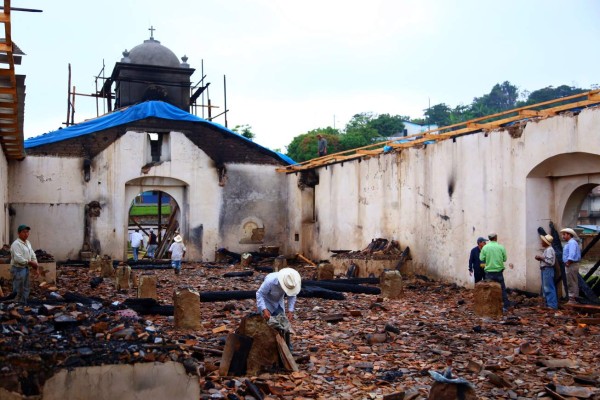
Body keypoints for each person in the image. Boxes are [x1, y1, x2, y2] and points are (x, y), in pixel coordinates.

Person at [480, 232, 513, 311]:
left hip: (488, 273)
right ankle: (505, 306)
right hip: (498, 272)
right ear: (496, 238)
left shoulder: (485, 248)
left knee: (489, 290)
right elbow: (505, 259)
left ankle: (490, 306)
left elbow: (481, 258)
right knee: (502, 289)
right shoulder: (501, 247)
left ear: (490, 239)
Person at [10, 224, 39, 305]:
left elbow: (33, 255)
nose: (26, 234)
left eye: (27, 232)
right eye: (24, 232)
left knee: (26, 287)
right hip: (18, 268)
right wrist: (30, 262)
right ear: (19, 233)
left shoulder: (28, 243)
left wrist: (36, 267)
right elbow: (18, 259)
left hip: (25, 268)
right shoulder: (16, 244)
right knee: (18, 289)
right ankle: (16, 305)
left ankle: (23, 303)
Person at [535, 234, 558, 309]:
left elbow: (550, 262)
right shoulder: (548, 249)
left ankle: (552, 305)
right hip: (545, 269)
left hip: (547, 269)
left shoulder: (549, 250)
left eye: (542, 241)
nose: (541, 242)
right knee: (547, 287)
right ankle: (549, 304)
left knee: (548, 287)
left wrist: (541, 258)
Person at [560, 228, 581, 304]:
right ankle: (573, 298)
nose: (563, 236)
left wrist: (568, 262)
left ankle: (572, 298)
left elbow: (572, 254)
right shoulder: (570, 243)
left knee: (571, 281)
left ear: (569, 235)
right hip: (571, 264)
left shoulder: (572, 243)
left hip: (571, 264)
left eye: (564, 234)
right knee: (572, 281)